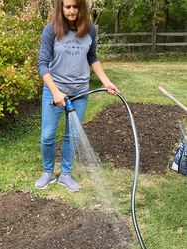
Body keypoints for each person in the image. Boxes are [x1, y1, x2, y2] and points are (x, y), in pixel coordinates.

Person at [35, 0, 119, 192]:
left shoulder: (89, 30)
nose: (72, 10)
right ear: (61, 8)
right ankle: (48, 172)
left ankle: (65, 174)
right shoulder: (51, 30)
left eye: (75, 6)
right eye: (67, 7)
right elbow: (42, 64)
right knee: (47, 136)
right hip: (55, 92)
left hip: (80, 92)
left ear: (82, 8)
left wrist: (106, 81)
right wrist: (56, 92)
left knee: (71, 136)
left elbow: (92, 57)